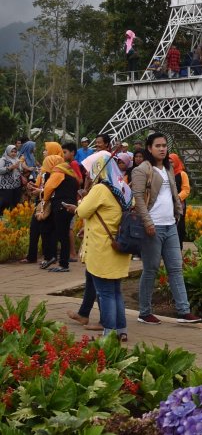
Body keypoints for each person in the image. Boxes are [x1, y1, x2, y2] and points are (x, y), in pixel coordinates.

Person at [132, 131, 201, 325]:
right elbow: (138, 198)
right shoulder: (142, 170)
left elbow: (174, 193)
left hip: (170, 225)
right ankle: (144, 312)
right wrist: (147, 222)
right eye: (158, 146)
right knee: (151, 269)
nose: (162, 149)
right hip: (152, 227)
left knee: (176, 268)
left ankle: (183, 310)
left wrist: (177, 214)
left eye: (164, 146)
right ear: (149, 148)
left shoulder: (169, 168)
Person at [72, 152, 132, 340]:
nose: (90, 174)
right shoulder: (124, 189)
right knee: (115, 291)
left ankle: (109, 331)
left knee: (105, 292)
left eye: (92, 170)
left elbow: (82, 211)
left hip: (102, 248)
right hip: (120, 245)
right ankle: (121, 330)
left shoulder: (100, 189)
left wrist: (85, 195)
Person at [41, 142, 82, 272]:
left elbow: (48, 188)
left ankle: (63, 264)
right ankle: (62, 262)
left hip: (61, 206)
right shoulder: (70, 172)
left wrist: (43, 201)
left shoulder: (58, 172)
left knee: (61, 235)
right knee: (62, 234)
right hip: (70, 205)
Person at [170, 153, 191, 244]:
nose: (170, 164)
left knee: (179, 224)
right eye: (168, 162)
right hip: (167, 203)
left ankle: (179, 245)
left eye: (172, 162)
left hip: (179, 203)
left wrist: (177, 197)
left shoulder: (182, 174)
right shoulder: (165, 173)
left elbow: (186, 190)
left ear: (176, 162)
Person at [0, 144, 24, 214]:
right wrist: (10, 168)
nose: (13, 153)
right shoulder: (3, 160)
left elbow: (20, 171)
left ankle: (12, 219)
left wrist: (20, 168)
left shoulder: (17, 160)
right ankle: (2, 218)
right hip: (6, 185)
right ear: (7, 151)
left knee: (15, 202)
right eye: (12, 151)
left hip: (16, 185)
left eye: (15, 152)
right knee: (5, 202)